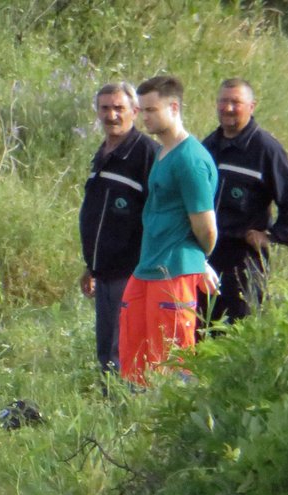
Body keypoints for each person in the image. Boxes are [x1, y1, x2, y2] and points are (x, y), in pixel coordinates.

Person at [118, 76, 219, 386]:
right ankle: (138, 419)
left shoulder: (190, 159)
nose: (144, 117)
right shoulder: (163, 152)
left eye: (151, 110)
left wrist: (198, 261)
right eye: (142, 110)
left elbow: (206, 226)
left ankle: (177, 427)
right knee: (135, 354)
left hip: (175, 271)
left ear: (173, 107)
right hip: (148, 266)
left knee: (172, 360)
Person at [200, 78, 288, 327]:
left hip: (243, 260)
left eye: (236, 102)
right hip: (207, 255)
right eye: (223, 101)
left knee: (239, 331)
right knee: (202, 332)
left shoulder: (265, 149)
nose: (228, 108)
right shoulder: (209, 146)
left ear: (252, 106)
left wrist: (273, 236)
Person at [78, 82, 157, 374]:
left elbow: (159, 214)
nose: (111, 115)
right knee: (107, 348)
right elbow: (99, 217)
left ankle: (122, 410)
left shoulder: (147, 154)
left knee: (122, 350)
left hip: (132, 271)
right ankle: (110, 405)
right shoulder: (103, 153)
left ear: (134, 111)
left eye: (119, 108)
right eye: (105, 108)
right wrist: (91, 266)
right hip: (105, 271)